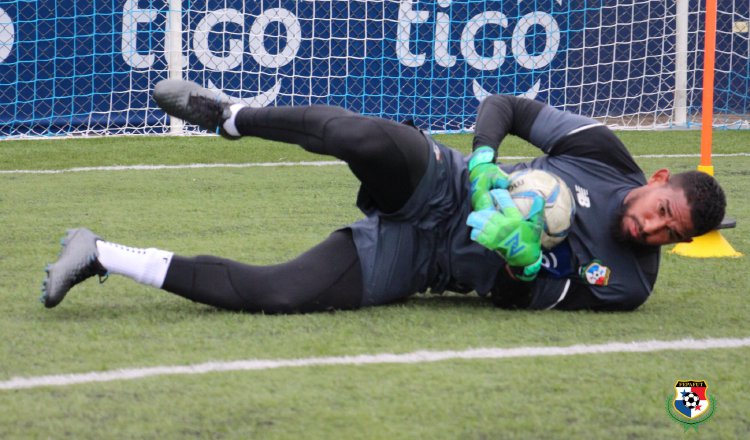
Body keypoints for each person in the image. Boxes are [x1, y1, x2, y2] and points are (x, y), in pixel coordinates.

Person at [40, 79, 726, 313]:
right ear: (657, 183)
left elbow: (522, 300)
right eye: (660, 212)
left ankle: (97, 253)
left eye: (670, 235)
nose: (651, 231)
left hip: (428, 260)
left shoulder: (629, 283)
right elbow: (506, 105)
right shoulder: (605, 154)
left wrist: (521, 262)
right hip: (447, 182)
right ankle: (229, 117)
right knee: (365, 138)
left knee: (278, 294)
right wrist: (486, 161)